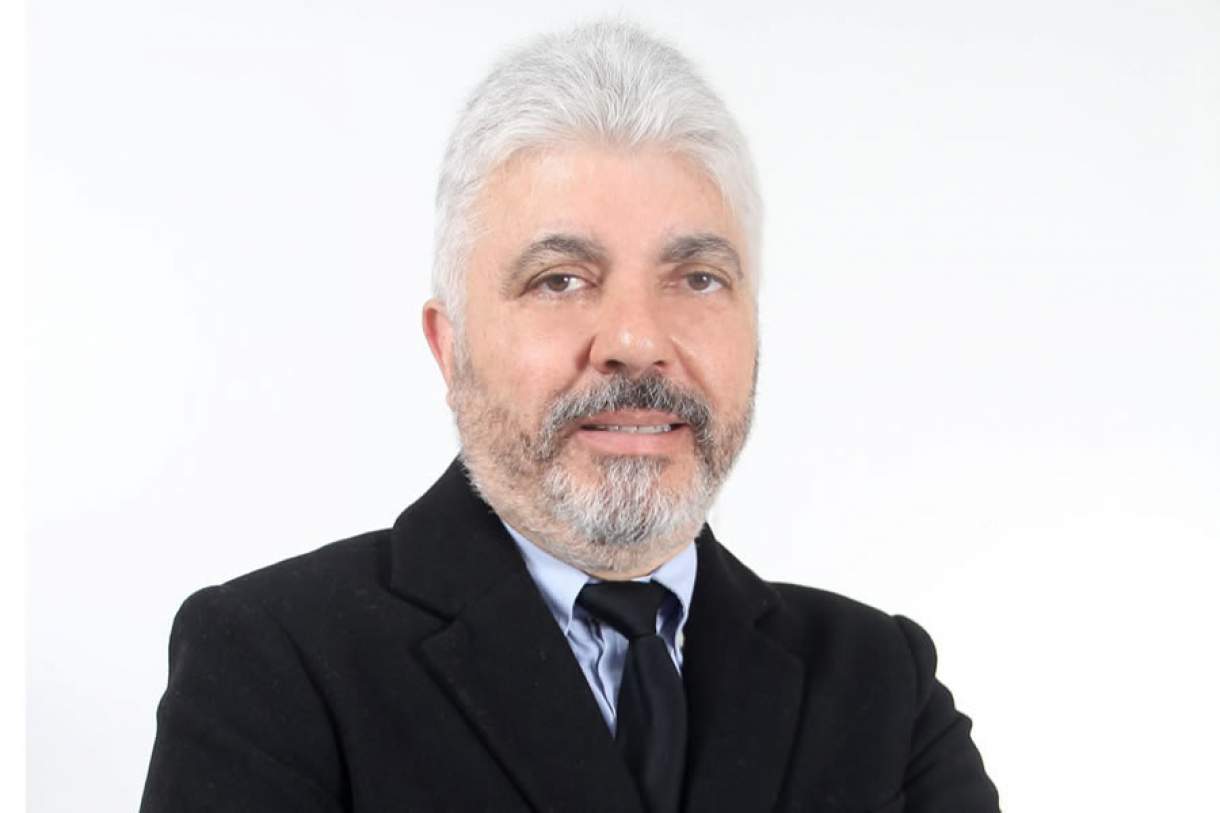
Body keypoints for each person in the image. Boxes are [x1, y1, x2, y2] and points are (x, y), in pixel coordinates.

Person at [140, 20, 999, 813]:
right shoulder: (275, 665)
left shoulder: (882, 687)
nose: (635, 342)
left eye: (697, 278)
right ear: (449, 346)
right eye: (561, 279)